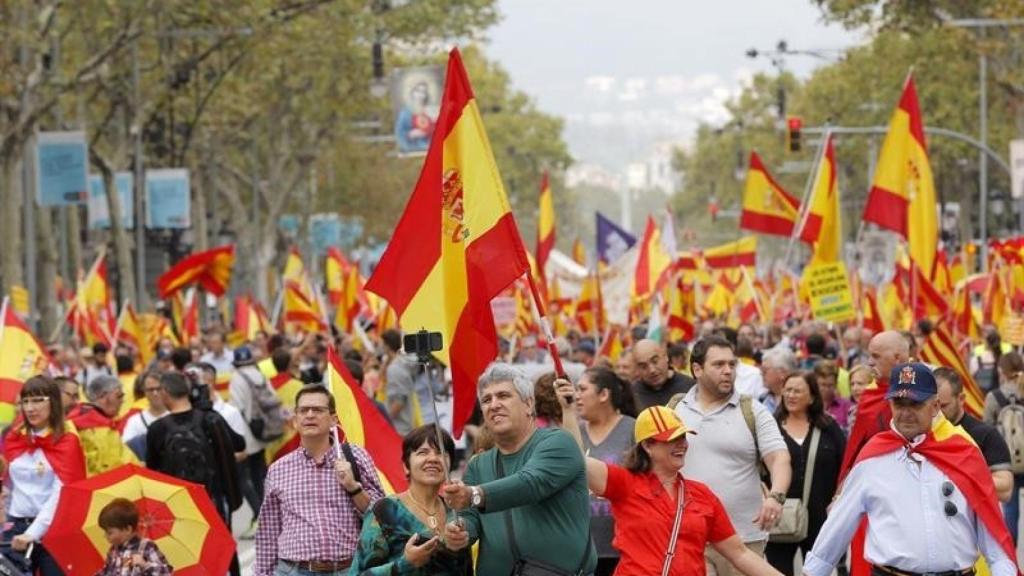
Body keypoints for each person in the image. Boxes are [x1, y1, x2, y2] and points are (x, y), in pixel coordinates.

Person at [802, 363, 1019, 576]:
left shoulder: (964, 453)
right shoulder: (873, 458)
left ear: (935, 406)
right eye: (899, 403)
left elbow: (994, 540)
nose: (905, 412)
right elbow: (837, 528)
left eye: (915, 404)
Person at [556, 384, 785, 576]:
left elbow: (740, 553)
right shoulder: (625, 482)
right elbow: (576, 462)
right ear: (647, 445)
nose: (682, 444)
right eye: (671, 439)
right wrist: (568, 412)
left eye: (683, 437)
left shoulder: (702, 495)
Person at [441, 363, 597, 575]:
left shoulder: (560, 442)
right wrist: (457, 530)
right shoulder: (478, 464)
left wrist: (474, 494)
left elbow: (530, 483)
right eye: (487, 400)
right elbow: (469, 517)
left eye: (503, 396)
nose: (493, 405)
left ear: (528, 404)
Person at [673, 336, 791, 576]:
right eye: (718, 365)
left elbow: (779, 458)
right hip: (688, 537)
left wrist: (776, 496)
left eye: (732, 364)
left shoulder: (753, 411)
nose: (728, 371)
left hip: (743, 541)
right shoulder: (674, 409)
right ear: (697, 369)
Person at [255, 385, 385, 575]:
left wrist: (353, 488)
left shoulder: (354, 457)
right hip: (294, 570)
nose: (309, 415)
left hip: (348, 568)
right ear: (295, 420)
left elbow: (382, 514)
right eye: (303, 410)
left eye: (317, 410)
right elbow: (269, 530)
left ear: (333, 419)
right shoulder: (278, 469)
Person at [351, 426, 471, 574]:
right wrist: (405, 564)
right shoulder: (384, 511)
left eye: (441, 453)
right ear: (406, 466)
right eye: (423, 452)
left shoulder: (455, 512)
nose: (433, 459)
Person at [2, 375, 87, 575]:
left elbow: (62, 495)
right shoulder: (15, 438)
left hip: (55, 531)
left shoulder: (67, 442)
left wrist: (33, 533)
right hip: (16, 528)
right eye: (26, 401)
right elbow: (7, 484)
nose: (30, 408)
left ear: (54, 402)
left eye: (38, 400)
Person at [764, 371, 845, 576]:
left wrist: (838, 497)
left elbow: (846, 465)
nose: (791, 395)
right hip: (779, 519)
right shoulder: (770, 427)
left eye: (798, 391)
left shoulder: (828, 427)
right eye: (788, 390)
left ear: (812, 397)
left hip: (819, 520)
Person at [575, 366, 638, 575]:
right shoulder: (574, 432)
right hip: (582, 551)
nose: (577, 396)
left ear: (603, 394)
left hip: (624, 551)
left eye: (582, 389)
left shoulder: (633, 429)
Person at [934, 367, 1013, 503]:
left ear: (961, 399)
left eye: (944, 406)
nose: (937, 413)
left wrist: (960, 477)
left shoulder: (985, 434)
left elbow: (1005, 489)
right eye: (933, 405)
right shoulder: (921, 433)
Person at [68, 374, 138, 475]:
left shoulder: (80, 418)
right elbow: (107, 466)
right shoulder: (93, 428)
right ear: (103, 396)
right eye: (119, 395)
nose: (123, 400)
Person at [95, 498, 173, 576]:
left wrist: (145, 565)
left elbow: (166, 573)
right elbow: (106, 571)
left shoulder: (146, 546)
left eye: (110, 532)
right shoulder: (113, 551)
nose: (105, 536)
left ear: (128, 529)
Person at [632, 339, 696, 411]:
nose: (652, 370)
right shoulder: (632, 395)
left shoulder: (690, 387)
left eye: (655, 361)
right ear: (637, 369)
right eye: (643, 366)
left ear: (666, 356)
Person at [121, 370, 168, 461]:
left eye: (158, 389)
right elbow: (126, 449)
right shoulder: (134, 421)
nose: (155, 393)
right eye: (151, 390)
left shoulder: (176, 415)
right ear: (144, 392)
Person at [382, 329, 421, 435]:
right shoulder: (400, 364)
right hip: (404, 425)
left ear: (387, 346)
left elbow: (399, 401)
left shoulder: (394, 369)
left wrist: (385, 421)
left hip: (399, 428)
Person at [812, 361, 852, 431]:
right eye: (823, 385)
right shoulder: (808, 404)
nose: (827, 389)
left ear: (836, 384)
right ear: (815, 383)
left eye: (830, 385)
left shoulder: (846, 405)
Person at [759, 348, 797, 414]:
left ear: (782, 373)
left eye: (764, 370)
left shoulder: (796, 401)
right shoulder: (762, 399)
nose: (761, 373)